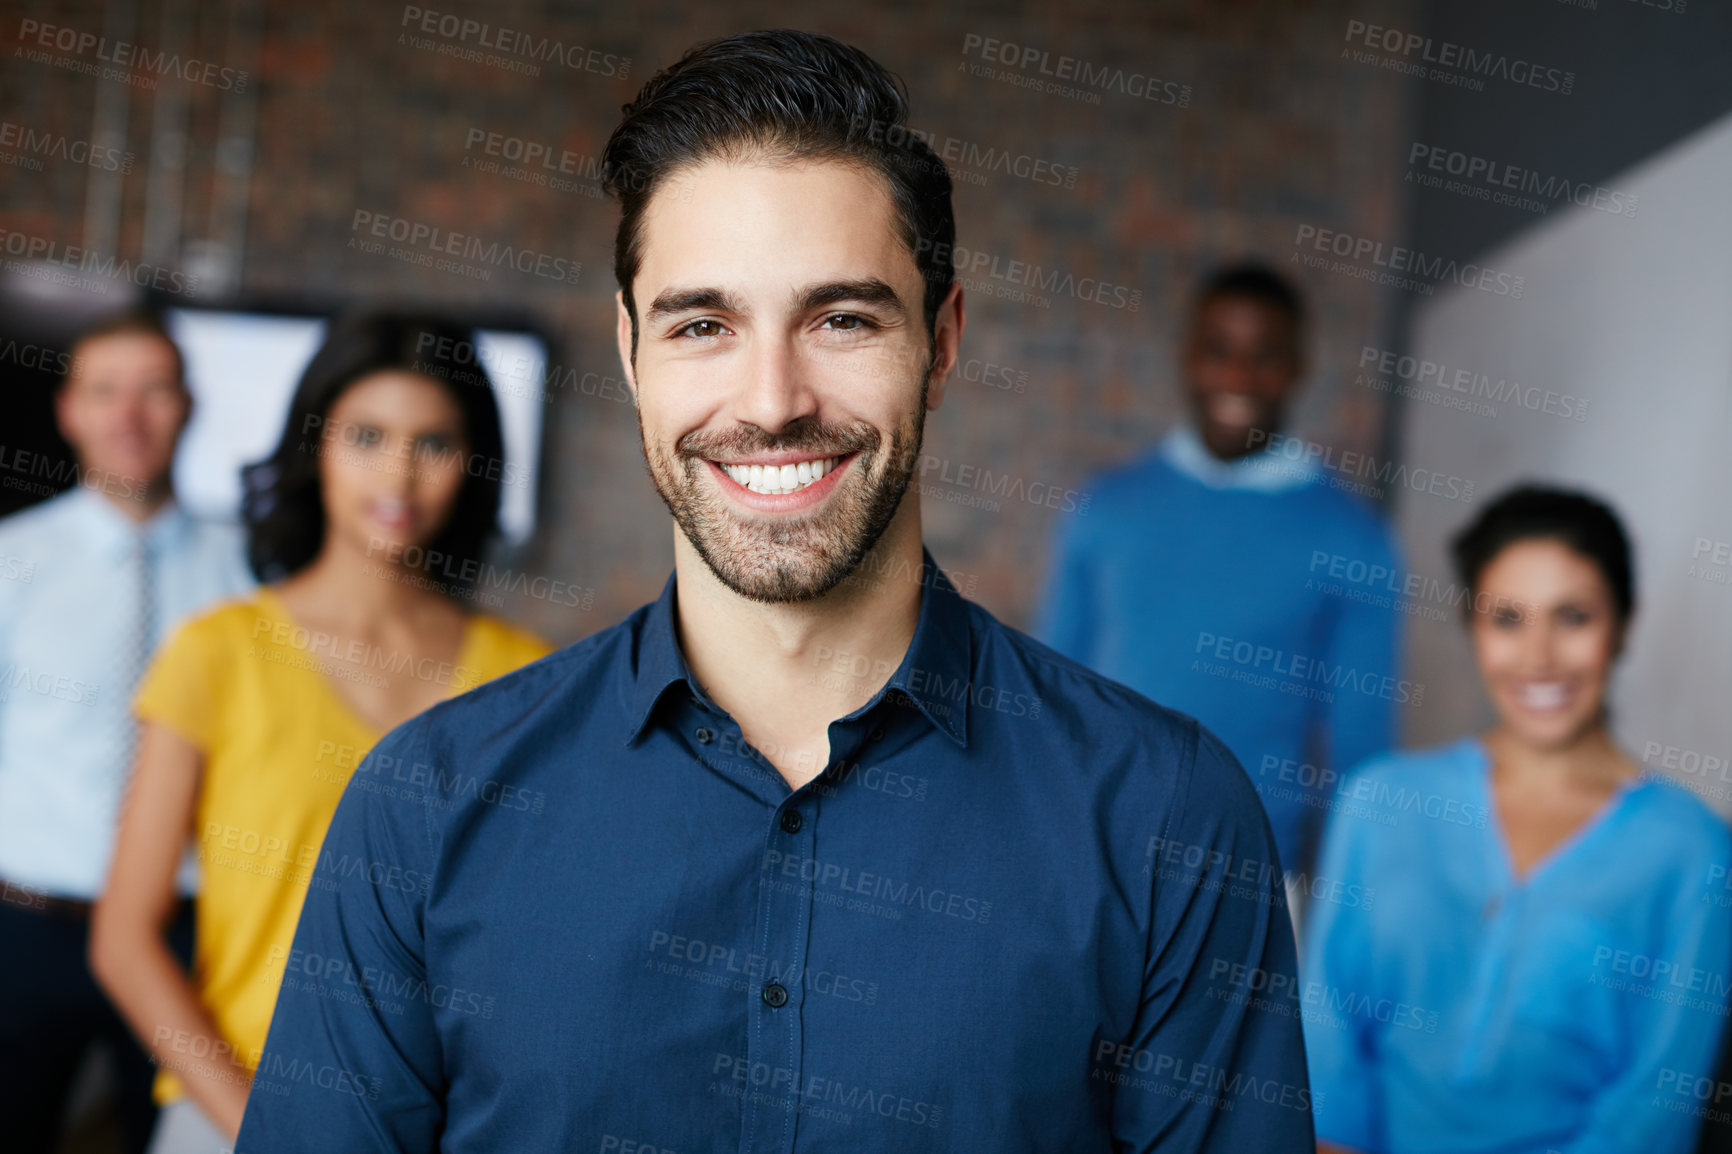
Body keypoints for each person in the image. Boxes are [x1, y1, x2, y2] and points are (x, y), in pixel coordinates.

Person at [234, 30, 1311, 1153]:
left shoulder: (1168, 816)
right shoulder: (426, 805)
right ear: (633, 353)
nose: (772, 399)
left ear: (941, 343)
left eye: (841, 318)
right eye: (703, 324)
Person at [89, 312, 552, 1153]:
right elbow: (125, 938)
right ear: (317, 446)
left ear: (473, 465)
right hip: (231, 1118)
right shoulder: (217, 653)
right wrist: (260, 1129)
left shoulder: (528, 681)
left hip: (446, 1128)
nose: (400, 475)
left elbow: (528, 946)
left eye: (435, 444)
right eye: (368, 436)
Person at [1303, 485, 1731, 1153]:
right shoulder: (1381, 802)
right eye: (1508, 618)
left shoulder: (1693, 852)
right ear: (1472, 625)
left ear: (1622, 623)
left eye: (1573, 617)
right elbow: (1327, 1041)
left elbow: (1655, 1105)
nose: (1538, 656)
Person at [1035, 264, 1402, 881]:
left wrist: (1348, 905)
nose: (1238, 376)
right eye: (1218, 351)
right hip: (1094, 867)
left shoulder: (1351, 538)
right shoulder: (1106, 508)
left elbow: (1360, 756)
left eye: (1265, 355)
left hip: (1251, 883)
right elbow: (1048, 700)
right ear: (1187, 357)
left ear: (1298, 367)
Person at [0, 308, 253, 1154]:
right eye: (106, 391)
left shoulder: (253, 573)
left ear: (188, 406)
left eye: (155, 390)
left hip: (185, 940)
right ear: (70, 410)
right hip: (24, 934)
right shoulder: (11, 562)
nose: (130, 415)